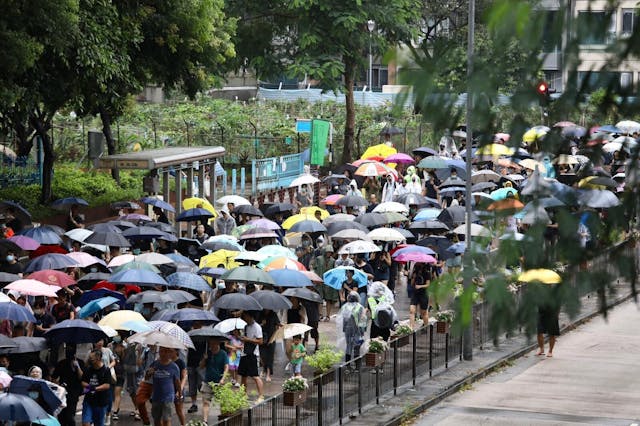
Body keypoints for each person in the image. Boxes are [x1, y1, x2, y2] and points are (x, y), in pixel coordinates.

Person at [53, 346, 85, 426]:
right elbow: (54, 378)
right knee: (62, 415)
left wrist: (77, 367)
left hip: (74, 392)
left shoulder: (80, 363)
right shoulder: (61, 363)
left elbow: (83, 378)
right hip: (62, 392)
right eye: (67, 350)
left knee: (70, 415)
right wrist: (58, 385)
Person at [149, 347, 181, 426]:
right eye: (161, 351)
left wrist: (179, 393)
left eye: (166, 351)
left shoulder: (174, 366)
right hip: (156, 396)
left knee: (166, 419)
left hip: (168, 397)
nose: (163, 354)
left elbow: (177, 381)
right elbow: (146, 377)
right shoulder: (155, 364)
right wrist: (149, 373)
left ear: (170, 353)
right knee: (156, 419)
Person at [200, 338, 229, 423]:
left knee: (223, 403)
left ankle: (224, 419)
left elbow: (226, 367)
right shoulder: (208, 353)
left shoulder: (223, 354)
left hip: (219, 382)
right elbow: (201, 366)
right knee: (206, 402)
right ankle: (205, 421)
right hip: (208, 382)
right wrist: (204, 359)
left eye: (213, 344)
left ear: (218, 343)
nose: (211, 346)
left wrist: (223, 379)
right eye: (210, 344)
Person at [81, 349, 112, 426]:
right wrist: (89, 386)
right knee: (85, 422)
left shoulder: (105, 370)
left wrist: (95, 388)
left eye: (92, 358)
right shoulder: (88, 369)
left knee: (98, 423)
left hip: (101, 402)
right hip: (89, 401)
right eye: (90, 358)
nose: (90, 360)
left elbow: (107, 385)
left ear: (98, 358)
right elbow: (83, 381)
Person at [238, 311, 264, 403]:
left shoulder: (257, 327)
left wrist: (247, 339)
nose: (244, 318)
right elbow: (245, 339)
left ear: (250, 316)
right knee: (243, 376)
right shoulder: (245, 326)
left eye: (245, 316)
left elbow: (260, 341)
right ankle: (243, 395)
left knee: (255, 375)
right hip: (244, 353)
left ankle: (261, 395)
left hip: (253, 354)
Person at [339, 292, 367, 368]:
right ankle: (357, 366)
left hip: (348, 330)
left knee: (348, 347)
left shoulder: (345, 307)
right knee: (357, 347)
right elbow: (363, 319)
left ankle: (348, 365)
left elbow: (344, 319)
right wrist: (363, 331)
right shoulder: (360, 307)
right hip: (357, 330)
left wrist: (344, 329)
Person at [311, 246, 337, 321]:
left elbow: (334, 271)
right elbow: (315, 268)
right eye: (327, 252)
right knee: (320, 299)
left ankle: (328, 316)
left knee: (329, 299)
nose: (329, 253)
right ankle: (320, 315)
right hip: (320, 281)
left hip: (329, 283)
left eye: (330, 252)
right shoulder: (319, 259)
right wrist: (316, 279)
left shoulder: (333, 261)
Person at [259, 309, 280, 382]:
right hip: (262, 338)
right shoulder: (260, 314)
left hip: (271, 338)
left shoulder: (273, 314)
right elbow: (256, 325)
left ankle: (268, 374)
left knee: (270, 357)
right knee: (262, 356)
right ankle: (264, 369)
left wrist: (273, 338)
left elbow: (277, 326)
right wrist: (262, 324)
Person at [409, 264, 431, 330]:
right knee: (412, 310)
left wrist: (420, 286)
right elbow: (412, 284)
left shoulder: (427, 273)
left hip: (424, 294)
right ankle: (411, 328)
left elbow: (428, 284)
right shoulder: (415, 273)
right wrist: (413, 277)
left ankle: (426, 327)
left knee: (423, 312)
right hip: (415, 293)